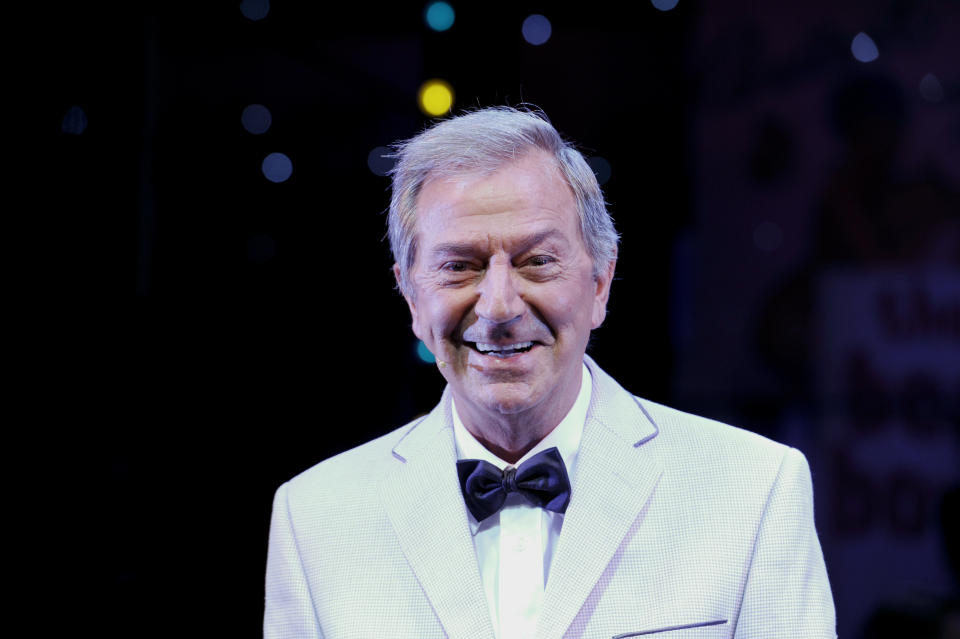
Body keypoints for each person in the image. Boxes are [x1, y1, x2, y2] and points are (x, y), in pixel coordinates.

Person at [264, 107, 836, 639]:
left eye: (537, 261)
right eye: (458, 267)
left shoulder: (753, 490)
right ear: (412, 297)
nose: (499, 307)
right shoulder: (315, 517)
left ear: (600, 284)